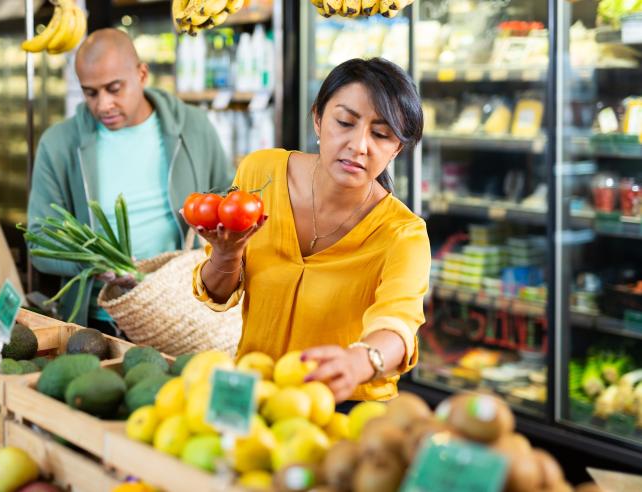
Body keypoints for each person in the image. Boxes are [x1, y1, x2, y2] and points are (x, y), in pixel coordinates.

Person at [189, 58, 430, 403]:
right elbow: (217, 293)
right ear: (318, 119)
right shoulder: (261, 174)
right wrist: (226, 254)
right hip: (253, 393)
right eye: (345, 122)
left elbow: (399, 323)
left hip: (342, 407)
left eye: (380, 134)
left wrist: (361, 360)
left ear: (397, 149)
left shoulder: (402, 234)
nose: (359, 145)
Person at [28, 28, 233, 330]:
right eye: (90, 93)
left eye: (114, 88)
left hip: (184, 316)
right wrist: (93, 261)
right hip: (98, 323)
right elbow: (39, 241)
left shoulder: (194, 128)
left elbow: (229, 203)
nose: (102, 105)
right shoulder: (58, 144)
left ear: (142, 74)